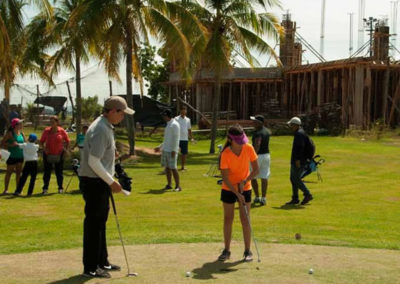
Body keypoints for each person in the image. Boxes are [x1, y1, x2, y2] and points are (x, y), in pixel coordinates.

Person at [79, 96, 134, 278]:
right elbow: (93, 161)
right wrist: (111, 182)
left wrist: (112, 156)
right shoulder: (101, 129)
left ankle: (102, 261)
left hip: (99, 181)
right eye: (121, 113)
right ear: (112, 111)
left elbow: (100, 156)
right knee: (94, 224)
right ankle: (91, 267)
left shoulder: (105, 126)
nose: (122, 117)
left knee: (100, 223)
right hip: (95, 182)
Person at [218, 125, 259, 262]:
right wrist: (236, 193)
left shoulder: (249, 148)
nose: (242, 143)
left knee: (245, 219)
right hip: (229, 188)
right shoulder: (225, 154)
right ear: (230, 140)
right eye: (239, 141)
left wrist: (246, 180)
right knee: (228, 219)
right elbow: (225, 178)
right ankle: (226, 250)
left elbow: (256, 170)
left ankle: (247, 251)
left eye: (243, 140)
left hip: (245, 187)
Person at [286, 117, 314, 205]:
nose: (291, 127)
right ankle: (295, 198)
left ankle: (307, 194)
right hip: (298, 159)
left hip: (299, 160)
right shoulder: (300, 132)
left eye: (291, 125)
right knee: (293, 178)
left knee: (296, 178)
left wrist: (297, 160)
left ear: (295, 125)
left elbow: (300, 148)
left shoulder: (299, 134)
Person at [39, 116, 70, 194]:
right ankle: (45, 188)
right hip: (48, 154)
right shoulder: (46, 131)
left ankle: (60, 188)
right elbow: (41, 142)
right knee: (47, 172)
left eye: (53, 122)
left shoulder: (62, 131)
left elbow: (67, 141)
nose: (51, 123)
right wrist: (44, 148)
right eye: (50, 122)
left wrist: (66, 150)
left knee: (59, 172)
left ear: (57, 122)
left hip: (59, 154)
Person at [155, 109, 181, 191]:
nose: (163, 117)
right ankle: (169, 185)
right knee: (167, 168)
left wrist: (174, 150)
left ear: (167, 116)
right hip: (166, 150)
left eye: (164, 116)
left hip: (171, 150)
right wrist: (160, 147)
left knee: (173, 168)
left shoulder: (175, 125)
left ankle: (178, 186)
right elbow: (167, 139)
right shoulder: (168, 125)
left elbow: (176, 139)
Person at [250, 115, 271, 206]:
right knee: (264, 176)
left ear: (260, 123)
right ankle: (264, 198)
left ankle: (257, 197)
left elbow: (257, 144)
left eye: (255, 121)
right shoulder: (267, 131)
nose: (253, 123)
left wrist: (253, 155)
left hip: (258, 156)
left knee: (253, 176)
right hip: (266, 155)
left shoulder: (258, 133)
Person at [1, 118, 25, 194]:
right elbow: (2, 143)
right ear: (15, 125)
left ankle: (18, 190)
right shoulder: (10, 133)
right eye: (20, 123)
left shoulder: (21, 133)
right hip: (12, 156)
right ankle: (6, 190)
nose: (21, 125)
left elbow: (25, 143)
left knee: (18, 173)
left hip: (20, 156)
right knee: (9, 173)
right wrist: (11, 145)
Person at [175, 106, 193, 171]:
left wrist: (191, 138)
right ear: (180, 111)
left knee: (184, 154)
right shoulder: (176, 119)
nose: (184, 112)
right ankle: (173, 167)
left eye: (185, 111)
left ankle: (182, 167)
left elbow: (189, 129)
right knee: (175, 153)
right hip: (177, 138)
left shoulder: (188, 120)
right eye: (182, 111)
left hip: (185, 139)